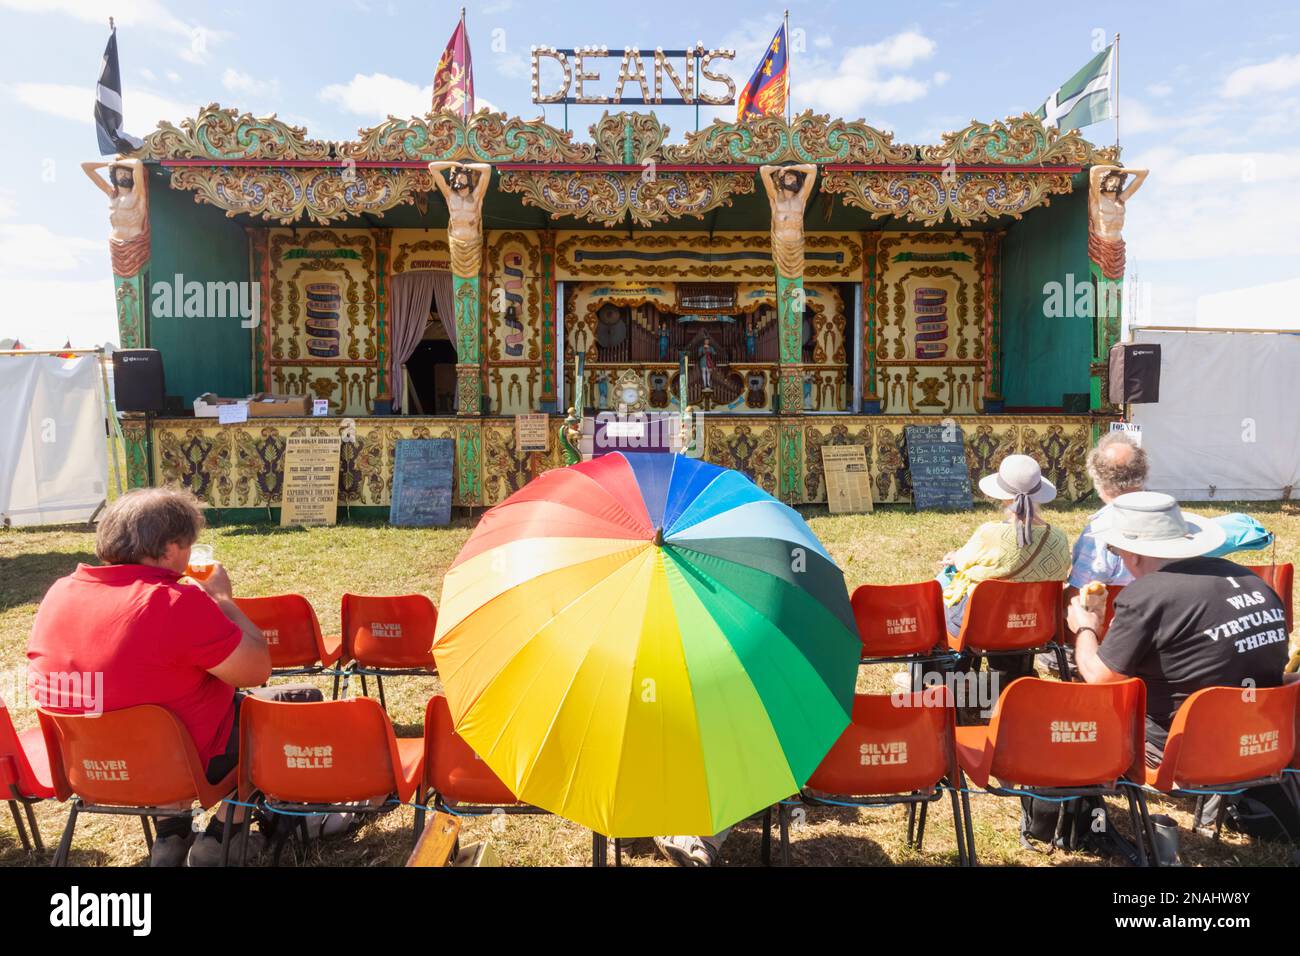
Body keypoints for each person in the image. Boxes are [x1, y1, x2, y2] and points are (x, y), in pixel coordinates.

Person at [26, 488, 320, 866]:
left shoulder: (58, 594)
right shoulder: (172, 601)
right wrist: (223, 601)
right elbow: (257, 669)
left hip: (88, 768)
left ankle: (171, 834)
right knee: (294, 707)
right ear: (168, 550)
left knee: (151, 708)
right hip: (182, 766)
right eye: (187, 545)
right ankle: (224, 832)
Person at [1067, 492, 1290, 831]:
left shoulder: (1148, 594)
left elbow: (1100, 677)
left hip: (1182, 750)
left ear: (1135, 553)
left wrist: (1085, 627)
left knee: (1069, 719)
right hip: (1262, 740)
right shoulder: (1255, 582)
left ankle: (1073, 825)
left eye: (1115, 550)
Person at [934, 455, 1070, 707]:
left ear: (1004, 497)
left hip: (984, 624)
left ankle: (942, 675)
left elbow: (962, 562)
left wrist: (954, 557)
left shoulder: (990, 533)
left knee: (941, 588)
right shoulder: (1059, 538)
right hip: (1035, 624)